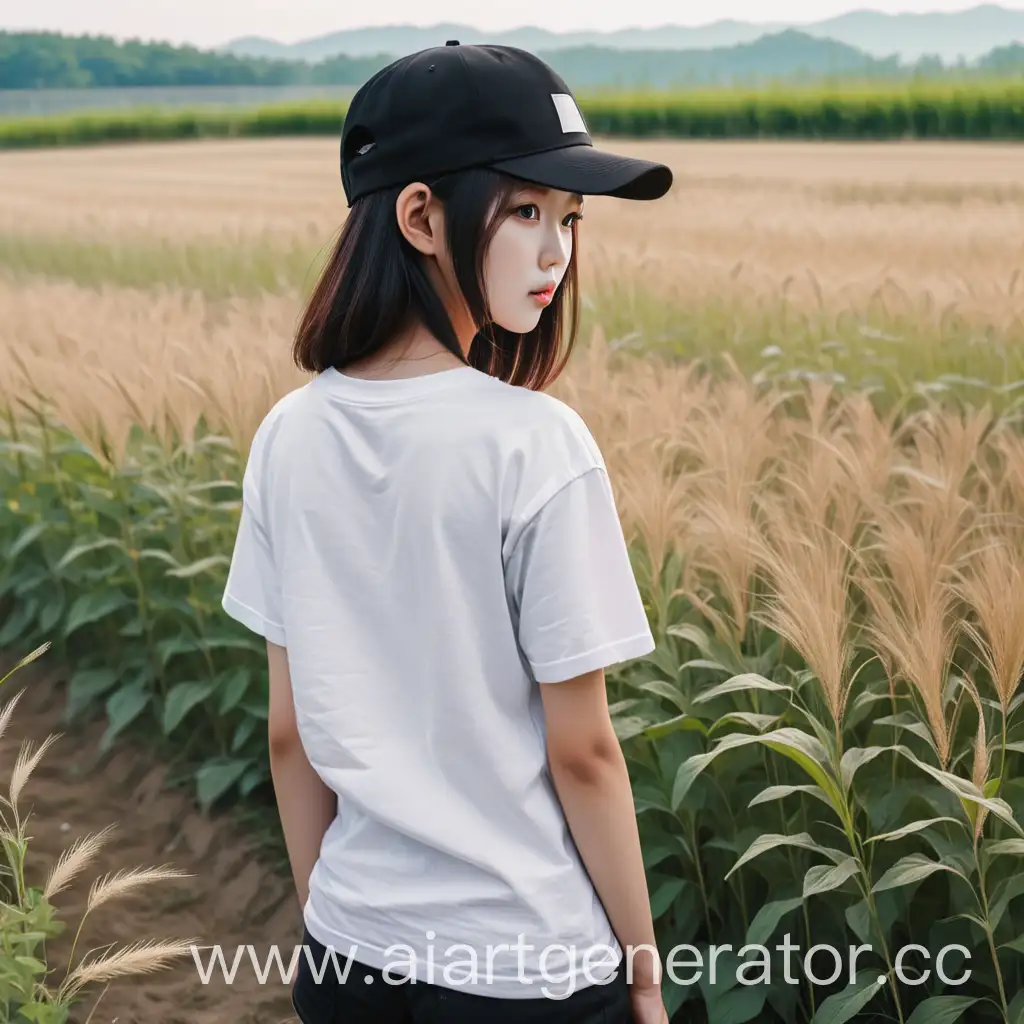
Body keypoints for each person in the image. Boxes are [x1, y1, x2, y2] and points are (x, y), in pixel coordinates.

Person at [221, 40, 674, 1024]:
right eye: (524, 211)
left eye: (569, 219)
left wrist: (329, 918)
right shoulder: (536, 445)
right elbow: (585, 752)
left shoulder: (287, 435)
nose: (556, 251)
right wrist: (642, 971)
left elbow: (290, 734)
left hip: (350, 953)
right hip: (525, 970)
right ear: (422, 216)